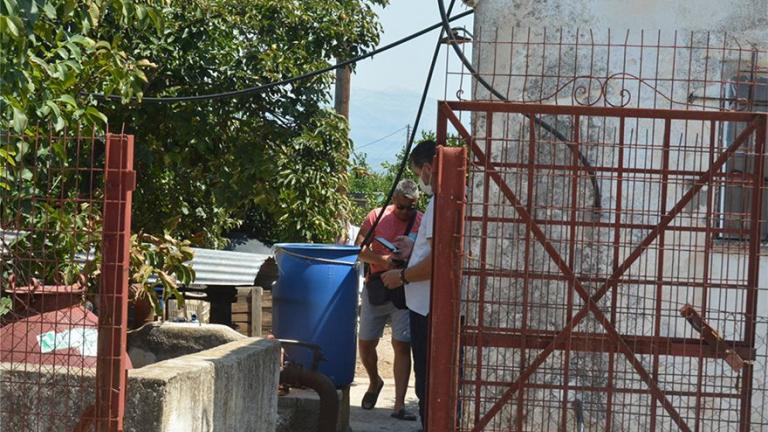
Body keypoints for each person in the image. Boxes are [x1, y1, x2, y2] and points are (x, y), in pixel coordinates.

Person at [355, 179, 422, 421]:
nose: (405, 212)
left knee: (402, 345)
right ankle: (375, 381)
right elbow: (359, 249)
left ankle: (399, 404)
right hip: (377, 288)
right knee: (366, 343)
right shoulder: (376, 216)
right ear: (394, 200)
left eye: (411, 207)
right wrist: (382, 261)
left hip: (405, 289)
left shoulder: (422, 221)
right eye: (401, 207)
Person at [381, 140, 436, 429]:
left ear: (427, 169)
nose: (420, 181)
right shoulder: (443, 201)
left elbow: (438, 262)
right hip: (424, 305)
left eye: (418, 174)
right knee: (427, 379)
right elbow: (432, 252)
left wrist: (401, 277)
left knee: (428, 380)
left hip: (428, 309)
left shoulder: (439, 204)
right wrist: (413, 248)